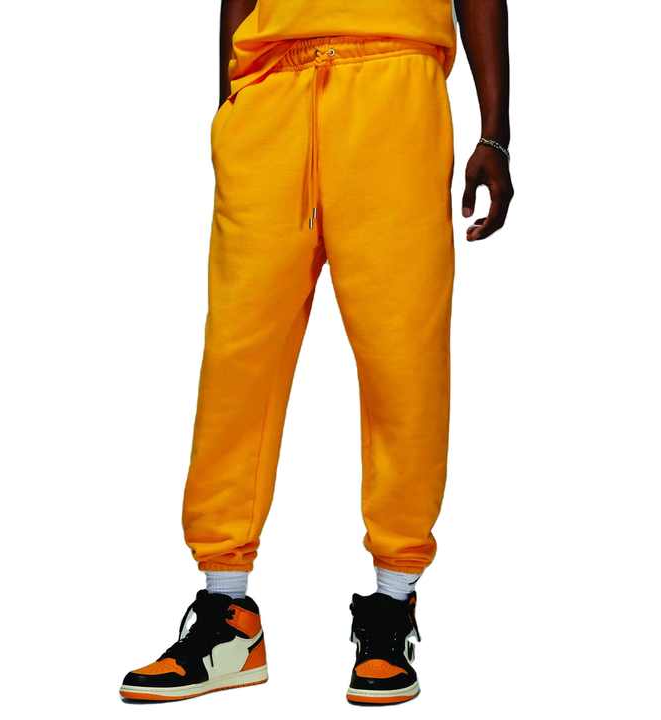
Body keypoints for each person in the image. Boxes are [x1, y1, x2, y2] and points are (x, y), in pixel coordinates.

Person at [120, 0, 513, 706]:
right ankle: (226, 616)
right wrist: (231, 106)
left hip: (394, 86)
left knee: (403, 355)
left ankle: (392, 605)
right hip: (271, 92)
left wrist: (496, 135)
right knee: (239, 354)